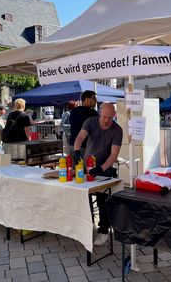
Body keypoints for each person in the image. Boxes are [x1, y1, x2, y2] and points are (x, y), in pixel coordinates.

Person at [73, 103, 123, 246]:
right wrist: (76, 150)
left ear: (114, 116)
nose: (106, 120)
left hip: (105, 169)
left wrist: (102, 168)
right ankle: (87, 226)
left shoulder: (117, 130)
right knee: (84, 197)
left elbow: (114, 154)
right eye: (104, 117)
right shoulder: (90, 122)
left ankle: (103, 231)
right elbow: (80, 137)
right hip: (87, 166)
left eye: (110, 118)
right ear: (99, 113)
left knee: (103, 202)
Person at [69, 90, 98, 157]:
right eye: (93, 98)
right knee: (88, 167)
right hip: (85, 147)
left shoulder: (73, 111)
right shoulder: (93, 113)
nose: (96, 100)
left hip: (72, 145)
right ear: (86, 99)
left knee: (75, 167)